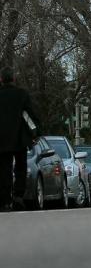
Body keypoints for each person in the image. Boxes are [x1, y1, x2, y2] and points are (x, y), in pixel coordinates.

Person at [0, 67, 40, 211]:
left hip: (2, 140)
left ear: (1, 79)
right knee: (20, 168)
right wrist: (35, 133)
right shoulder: (22, 95)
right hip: (19, 138)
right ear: (14, 79)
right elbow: (30, 115)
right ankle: (18, 196)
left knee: (4, 169)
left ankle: (5, 200)